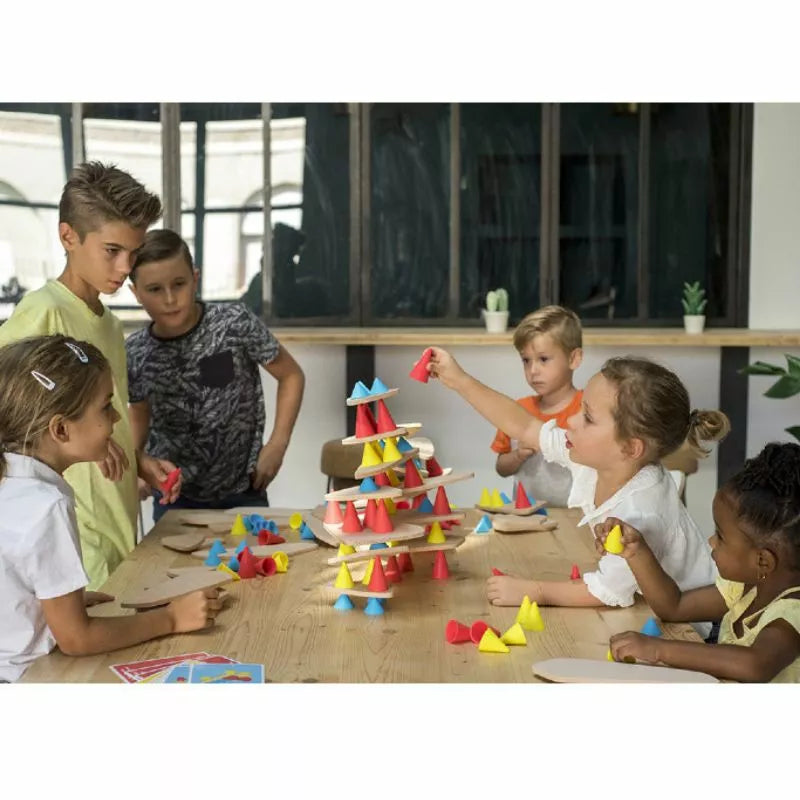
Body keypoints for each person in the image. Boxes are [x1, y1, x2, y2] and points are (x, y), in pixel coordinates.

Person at [426, 348, 729, 637]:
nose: (570, 420)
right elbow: (525, 427)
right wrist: (459, 379)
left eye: (588, 417)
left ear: (631, 447)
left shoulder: (640, 511)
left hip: (699, 630)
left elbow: (608, 592)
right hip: (658, 611)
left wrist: (533, 591)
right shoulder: (605, 459)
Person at [0, 335, 222, 683]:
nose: (118, 416)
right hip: (26, 680)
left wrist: (60, 604)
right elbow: (77, 639)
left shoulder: (13, 483)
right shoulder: (46, 505)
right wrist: (172, 618)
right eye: (105, 407)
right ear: (60, 429)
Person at [0, 162, 176, 590]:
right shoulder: (42, 312)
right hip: (74, 528)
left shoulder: (112, 325)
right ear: (68, 237)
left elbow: (106, 417)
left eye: (133, 254)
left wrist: (138, 461)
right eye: (112, 251)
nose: (124, 268)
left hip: (119, 518)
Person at [126, 229, 305, 522]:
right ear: (136, 293)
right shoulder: (134, 352)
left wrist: (277, 445)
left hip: (245, 490)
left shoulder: (234, 323)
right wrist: (137, 465)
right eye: (155, 289)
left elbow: (291, 376)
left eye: (179, 284)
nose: (170, 299)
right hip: (174, 498)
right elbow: (139, 413)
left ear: (195, 278)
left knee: (254, 565)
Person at [601, 442, 800, 682]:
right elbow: (673, 607)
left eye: (721, 537)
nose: (712, 541)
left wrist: (658, 649)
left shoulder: (793, 612)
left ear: (763, 562)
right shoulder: (745, 588)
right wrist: (636, 551)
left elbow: (755, 664)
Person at [491, 305, 583, 506]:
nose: (533, 370)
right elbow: (501, 468)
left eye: (543, 359)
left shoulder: (589, 411)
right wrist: (518, 456)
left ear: (574, 359)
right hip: (527, 519)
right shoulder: (516, 411)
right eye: (526, 360)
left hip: (577, 520)